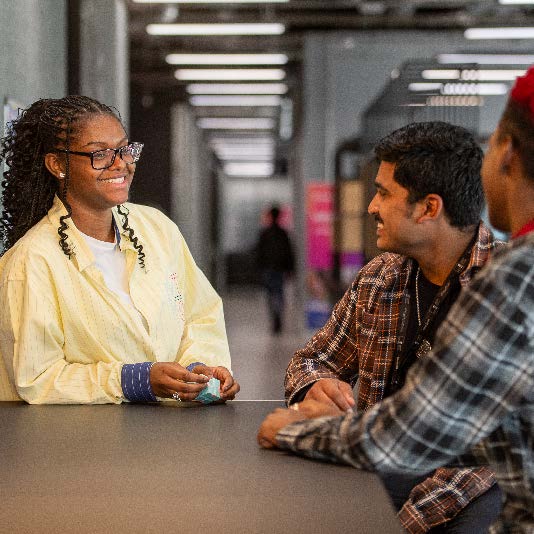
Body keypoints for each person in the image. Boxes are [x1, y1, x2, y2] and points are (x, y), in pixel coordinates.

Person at [258, 67, 534, 533]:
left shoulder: (509, 279)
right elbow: (313, 359)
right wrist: (314, 390)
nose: (370, 207)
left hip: (462, 488)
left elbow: (410, 435)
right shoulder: (382, 279)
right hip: (381, 467)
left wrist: (291, 428)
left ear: (508, 153)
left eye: (383, 193)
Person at [0, 95, 239, 404]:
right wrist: (132, 380)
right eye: (100, 154)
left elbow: (199, 314)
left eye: (125, 150)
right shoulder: (31, 262)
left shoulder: (158, 230)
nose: (121, 164)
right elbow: (36, 378)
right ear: (57, 164)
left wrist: (198, 369)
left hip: (167, 436)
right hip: (76, 445)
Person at [256, 205, 294, 333]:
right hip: (280, 269)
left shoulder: (264, 233)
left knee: (270, 293)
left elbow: (259, 253)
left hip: (268, 269)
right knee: (279, 292)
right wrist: (290, 269)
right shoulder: (283, 233)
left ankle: (274, 316)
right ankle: (278, 315)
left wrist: (259, 269)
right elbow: (289, 252)